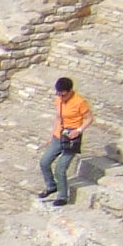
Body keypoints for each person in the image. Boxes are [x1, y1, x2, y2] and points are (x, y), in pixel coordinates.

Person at [39, 77, 92, 206]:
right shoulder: (58, 101)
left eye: (63, 95)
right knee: (44, 162)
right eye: (59, 94)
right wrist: (52, 135)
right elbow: (58, 118)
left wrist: (79, 130)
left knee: (60, 168)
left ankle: (62, 196)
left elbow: (89, 118)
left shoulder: (79, 102)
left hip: (72, 137)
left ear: (69, 92)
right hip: (59, 135)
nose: (61, 97)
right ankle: (51, 185)